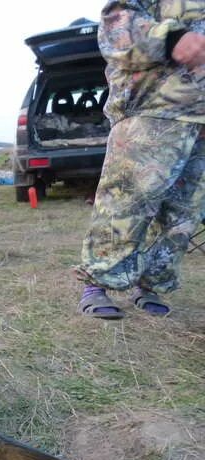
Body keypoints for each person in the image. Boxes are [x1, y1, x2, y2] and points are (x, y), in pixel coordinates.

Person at [76, 1, 205, 319]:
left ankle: (151, 285)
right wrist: (173, 38)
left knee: (183, 212)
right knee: (125, 201)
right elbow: (117, 23)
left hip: (202, 120)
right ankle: (97, 284)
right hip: (152, 109)